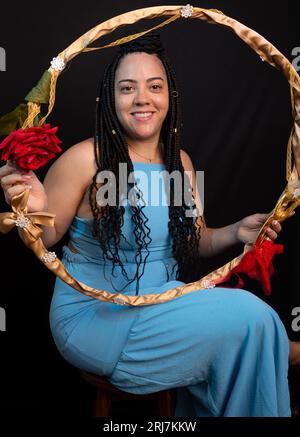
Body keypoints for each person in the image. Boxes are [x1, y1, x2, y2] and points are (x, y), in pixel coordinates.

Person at [0, 34, 299, 417]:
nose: (142, 98)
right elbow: (47, 237)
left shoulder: (182, 163)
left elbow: (195, 239)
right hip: (96, 319)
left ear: (168, 97)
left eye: (154, 87)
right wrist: (34, 207)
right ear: (111, 100)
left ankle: (272, 348)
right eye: (128, 89)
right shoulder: (84, 159)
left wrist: (236, 231)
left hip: (165, 302)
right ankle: (280, 349)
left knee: (247, 326)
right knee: (251, 317)